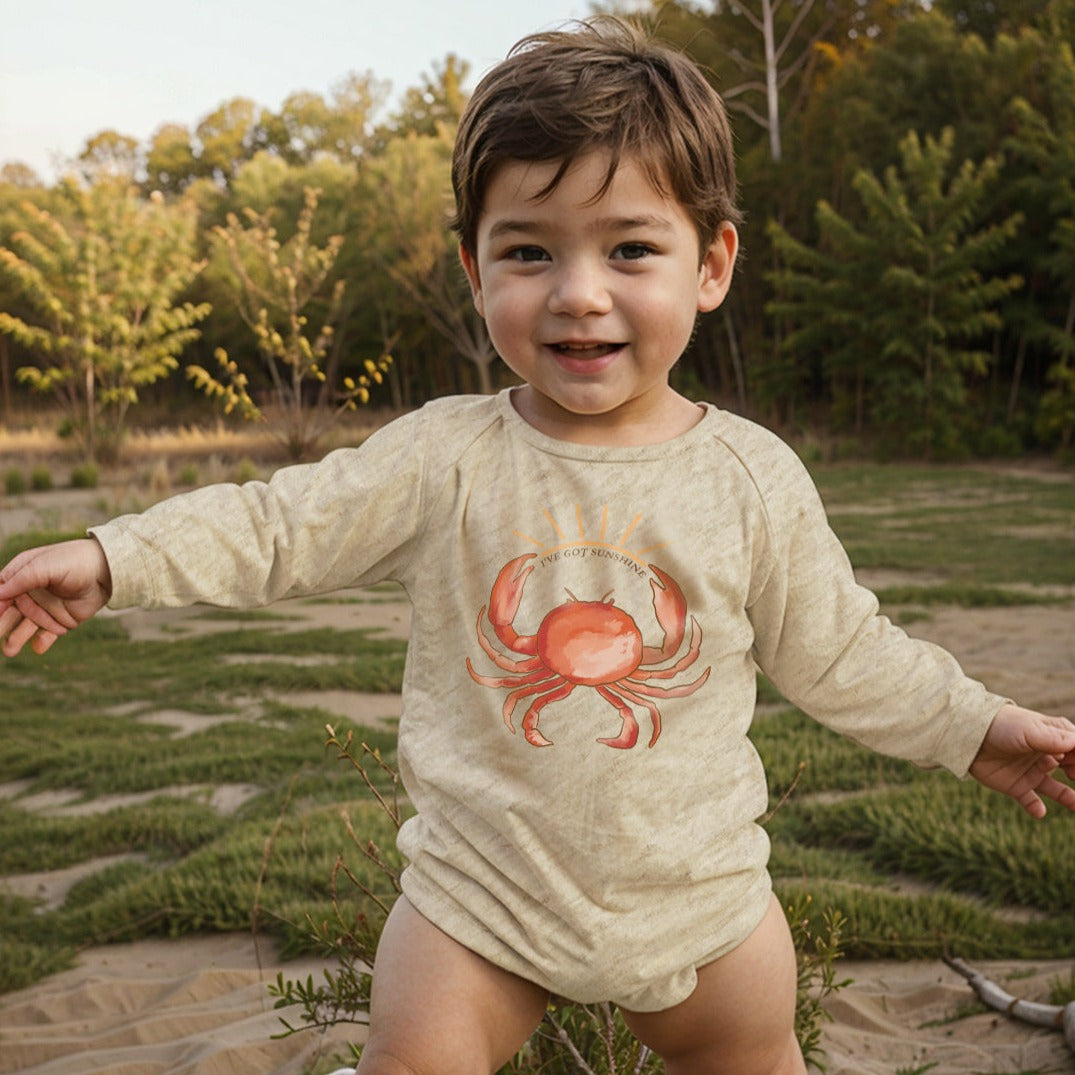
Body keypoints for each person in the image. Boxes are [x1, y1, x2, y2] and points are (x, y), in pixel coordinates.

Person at [1, 18, 1073, 1075]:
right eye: (528, 251)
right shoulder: (444, 457)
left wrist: (972, 726)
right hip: (478, 907)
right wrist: (115, 556)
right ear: (476, 273)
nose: (578, 292)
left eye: (630, 248)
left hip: (703, 906)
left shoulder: (749, 476)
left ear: (710, 264)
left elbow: (843, 650)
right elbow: (281, 524)